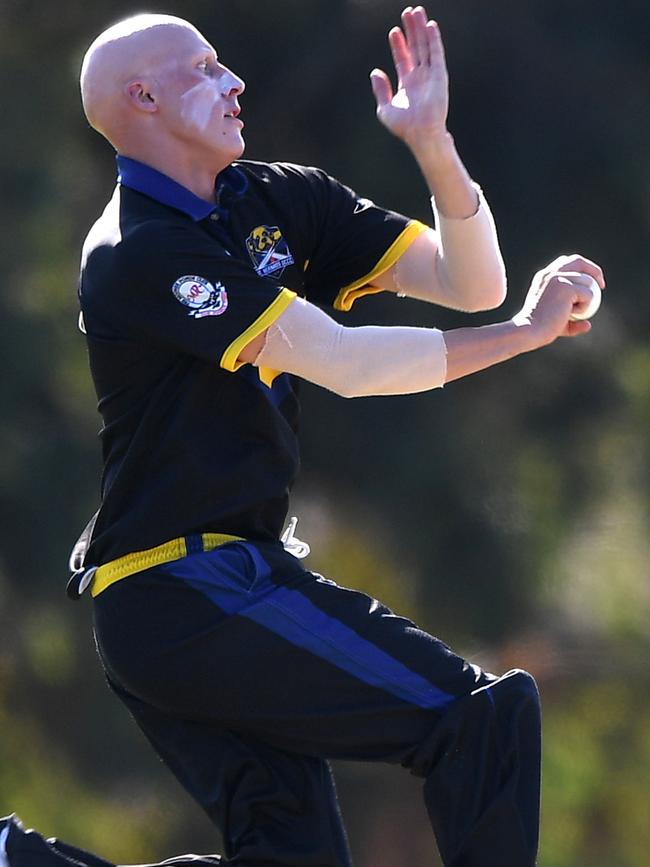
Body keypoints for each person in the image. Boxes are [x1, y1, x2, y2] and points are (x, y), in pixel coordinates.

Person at [1, 6, 605, 867]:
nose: (233, 81)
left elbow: (471, 282)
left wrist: (433, 145)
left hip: (194, 594)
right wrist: (525, 334)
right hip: (184, 588)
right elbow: (346, 362)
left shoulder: (279, 197)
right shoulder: (137, 251)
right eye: (204, 71)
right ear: (142, 98)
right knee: (477, 718)